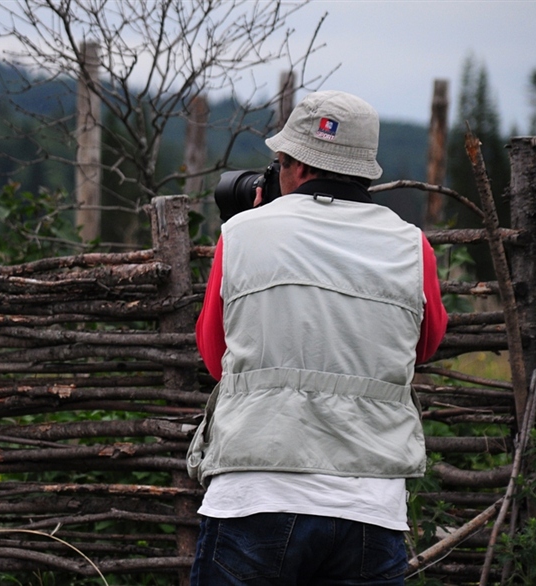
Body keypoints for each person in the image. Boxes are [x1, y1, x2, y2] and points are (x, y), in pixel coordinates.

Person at [188, 90, 448, 585]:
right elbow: (426, 346)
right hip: (370, 509)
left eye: (280, 162)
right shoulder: (412, 246)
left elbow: (216, 356)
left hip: (256, 498)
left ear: (299, 168)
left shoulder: (242, 234)